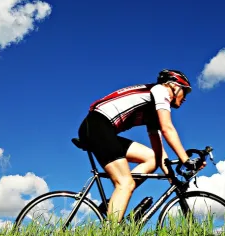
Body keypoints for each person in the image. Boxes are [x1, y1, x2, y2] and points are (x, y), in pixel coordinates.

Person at [77, 69, 205, 223]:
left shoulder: (152, 108)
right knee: (125, 183)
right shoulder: (161, 90)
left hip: (101, 128)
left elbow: (158, 151)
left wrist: (170, 174)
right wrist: (186, 160)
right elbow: (167, 128)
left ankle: (112, 202)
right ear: (174, 86)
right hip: (97, 126)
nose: (185, 98)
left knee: (151, 158)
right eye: (185, 92)